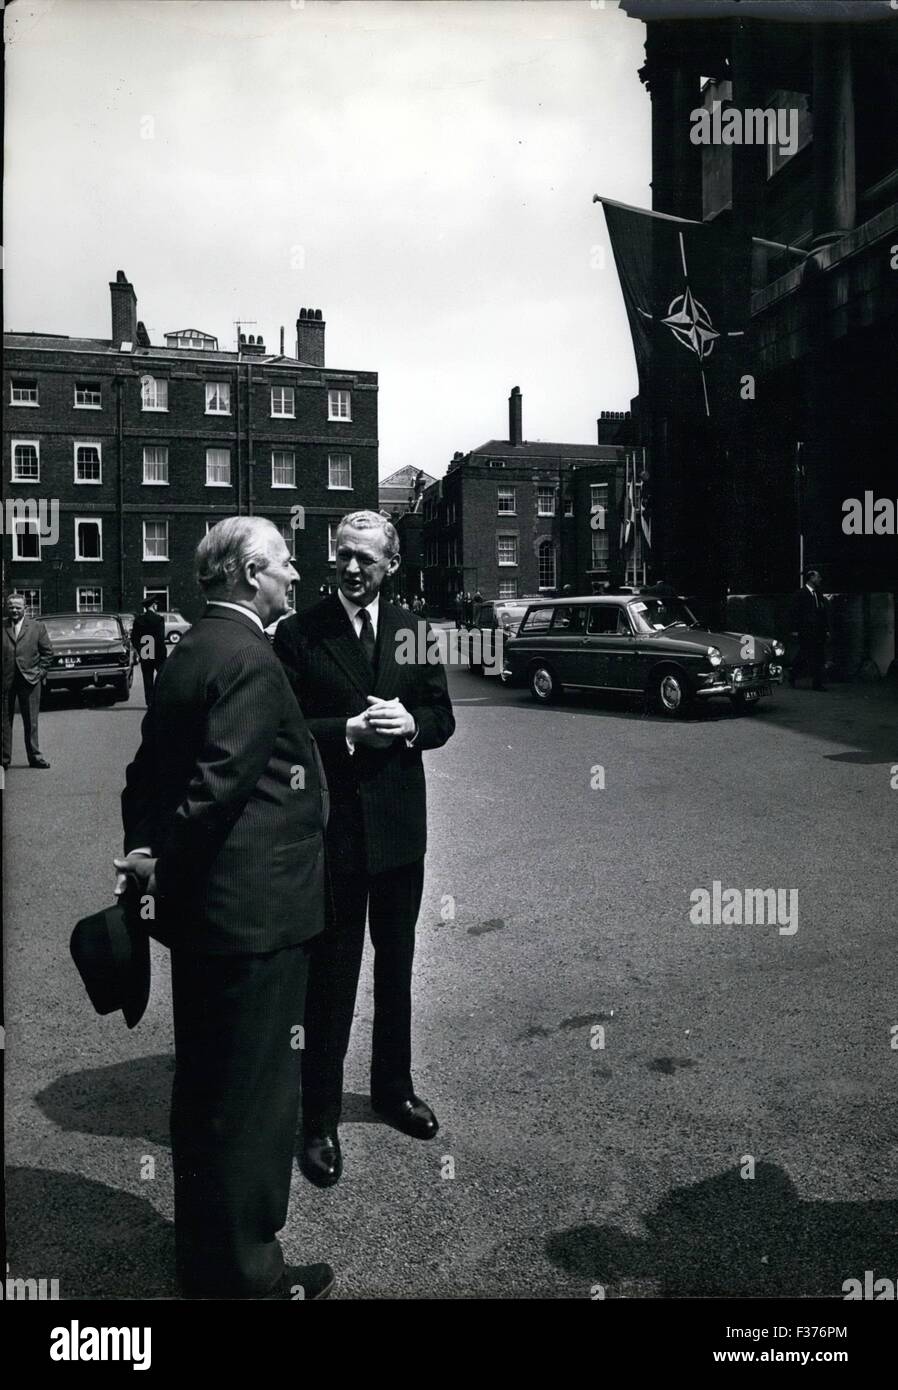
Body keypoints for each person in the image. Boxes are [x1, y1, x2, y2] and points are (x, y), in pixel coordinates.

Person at [115, 517, 333, 1300]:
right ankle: (249, 1278)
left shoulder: (192, 651)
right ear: (248, 572)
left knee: (206, 1093)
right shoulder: (249, 656)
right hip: (256, 920)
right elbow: (216, 791)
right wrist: (165, 862)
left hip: (210, 921)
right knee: (253, 1106)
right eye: (284, 564)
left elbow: (148, 775)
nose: (296, 577)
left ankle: (205, 1260)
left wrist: (146, 857)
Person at [274, 510, 455, 1189]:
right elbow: (284, 728)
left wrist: (412, 725)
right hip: (337, 833)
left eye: (367, 561)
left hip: (402, 832)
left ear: (392, 566)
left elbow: (443, 716)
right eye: (345, 556)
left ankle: (392, 1089)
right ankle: (317, 1119)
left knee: (398, 967)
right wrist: (347, 728)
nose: (353, 569)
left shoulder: (412, 631)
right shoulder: (299, 633)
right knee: (332, 978)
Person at [2, 592, 52, 770]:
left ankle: (35, 757)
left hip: (30, 680)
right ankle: (4, 759)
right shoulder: (3, 625)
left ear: (25, 608)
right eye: (11, 607)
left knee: (31, 721)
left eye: (18, 607)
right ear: (7, 608)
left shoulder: (37, 627)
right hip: (6, 681)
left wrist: (40, 672)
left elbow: (48, 653)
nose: (14, 610)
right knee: (4, 722)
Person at [790, 569, 829, 691]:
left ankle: (817, 683)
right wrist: (795, 629)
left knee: (818, 656)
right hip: (806, 630)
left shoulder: (818, 594)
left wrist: (825, 628)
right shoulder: (801, 594)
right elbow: (795, 613)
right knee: (805, 654)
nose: (820, 579)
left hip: (818, 631)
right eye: (818, 577)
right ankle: (794, 674)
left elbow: (822, 613)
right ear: (811, 578)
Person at [130, 597, 167, 705]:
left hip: (146, 652)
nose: (156, 606)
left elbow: (134, 638)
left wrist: (141, 649)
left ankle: (149, 703)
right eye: (155, 604)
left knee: (147, 679)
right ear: (153, 606)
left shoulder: (138, 620)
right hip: (158, 653)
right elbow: (160, 638)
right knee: (162, 678)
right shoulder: (159, 619)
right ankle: (161, 701)